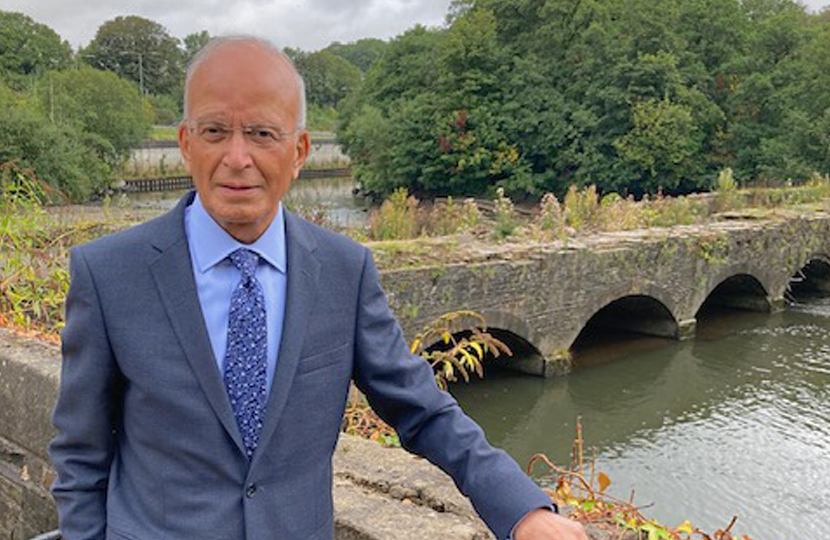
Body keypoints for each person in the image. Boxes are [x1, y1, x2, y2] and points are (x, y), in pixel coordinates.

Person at [49, 36, 588, 540]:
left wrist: (523, 509)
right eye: (215, 131)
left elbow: (422, 409)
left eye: (262, 134)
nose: (237, 158)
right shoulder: (109, 273)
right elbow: (80, 457)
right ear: (186, 143)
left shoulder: (342, 270)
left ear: (300, 150)